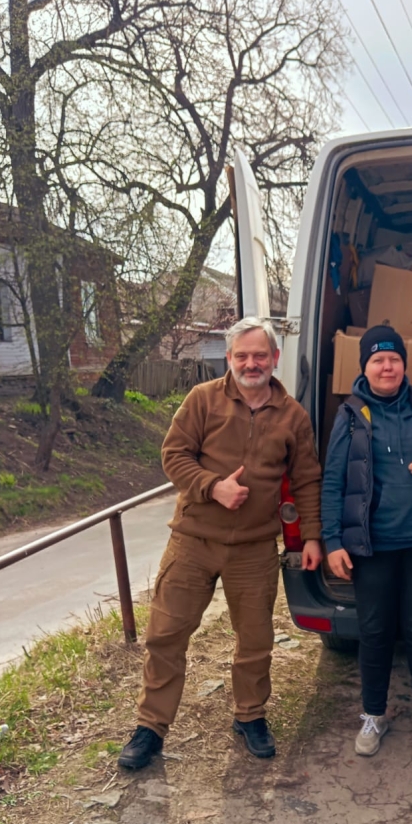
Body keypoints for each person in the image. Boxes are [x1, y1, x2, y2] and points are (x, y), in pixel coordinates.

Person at [118, 318, 323, 770]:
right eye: (242, 356)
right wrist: (213, 487)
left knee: (256, 640)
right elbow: (174, 455)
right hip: (194, 540)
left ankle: (250, 716)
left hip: (254, 548)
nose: (251, 364)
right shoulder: (202, 399)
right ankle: (151, 726)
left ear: (275, 359)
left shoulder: (292, 415)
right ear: (229, 358)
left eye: (260, 355)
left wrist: (311, 536)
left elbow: (307, 479)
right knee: (166, 635)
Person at [322, 325, 412, 760]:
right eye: (377, 360)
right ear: (365, 367)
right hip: (371, 546)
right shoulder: (350, 415)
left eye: (394, 359)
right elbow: (333, 481)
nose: (387, 367)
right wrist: (332, 540)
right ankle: (374, 714)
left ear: (404, 364)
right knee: (374, 632)